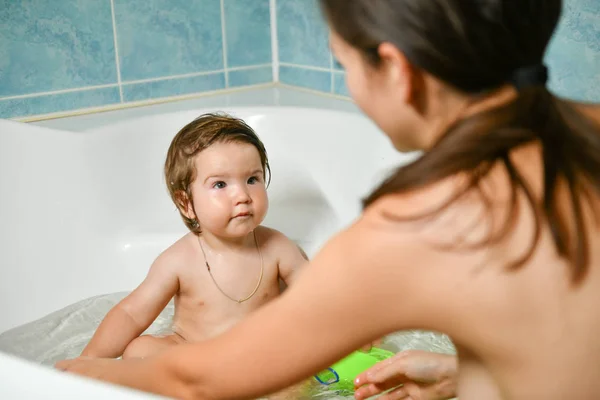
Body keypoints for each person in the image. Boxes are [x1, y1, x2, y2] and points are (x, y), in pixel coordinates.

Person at [56, 0, 600, 399]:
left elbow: (201, 382)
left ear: (397, 70)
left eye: (345, 67)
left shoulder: (418, 223)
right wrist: (465, 371)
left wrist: (81, 375)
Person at [72, 113, 308, 360]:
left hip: (258, 354)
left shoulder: (278, 248)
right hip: (195, 355)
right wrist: (89, 360)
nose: (242, 195)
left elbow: (321, 295)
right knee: (138, 351)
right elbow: (131, 313)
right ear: (186, 203)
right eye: (220, 185)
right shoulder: (179, 260)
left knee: (293, 361)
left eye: (252, 179)